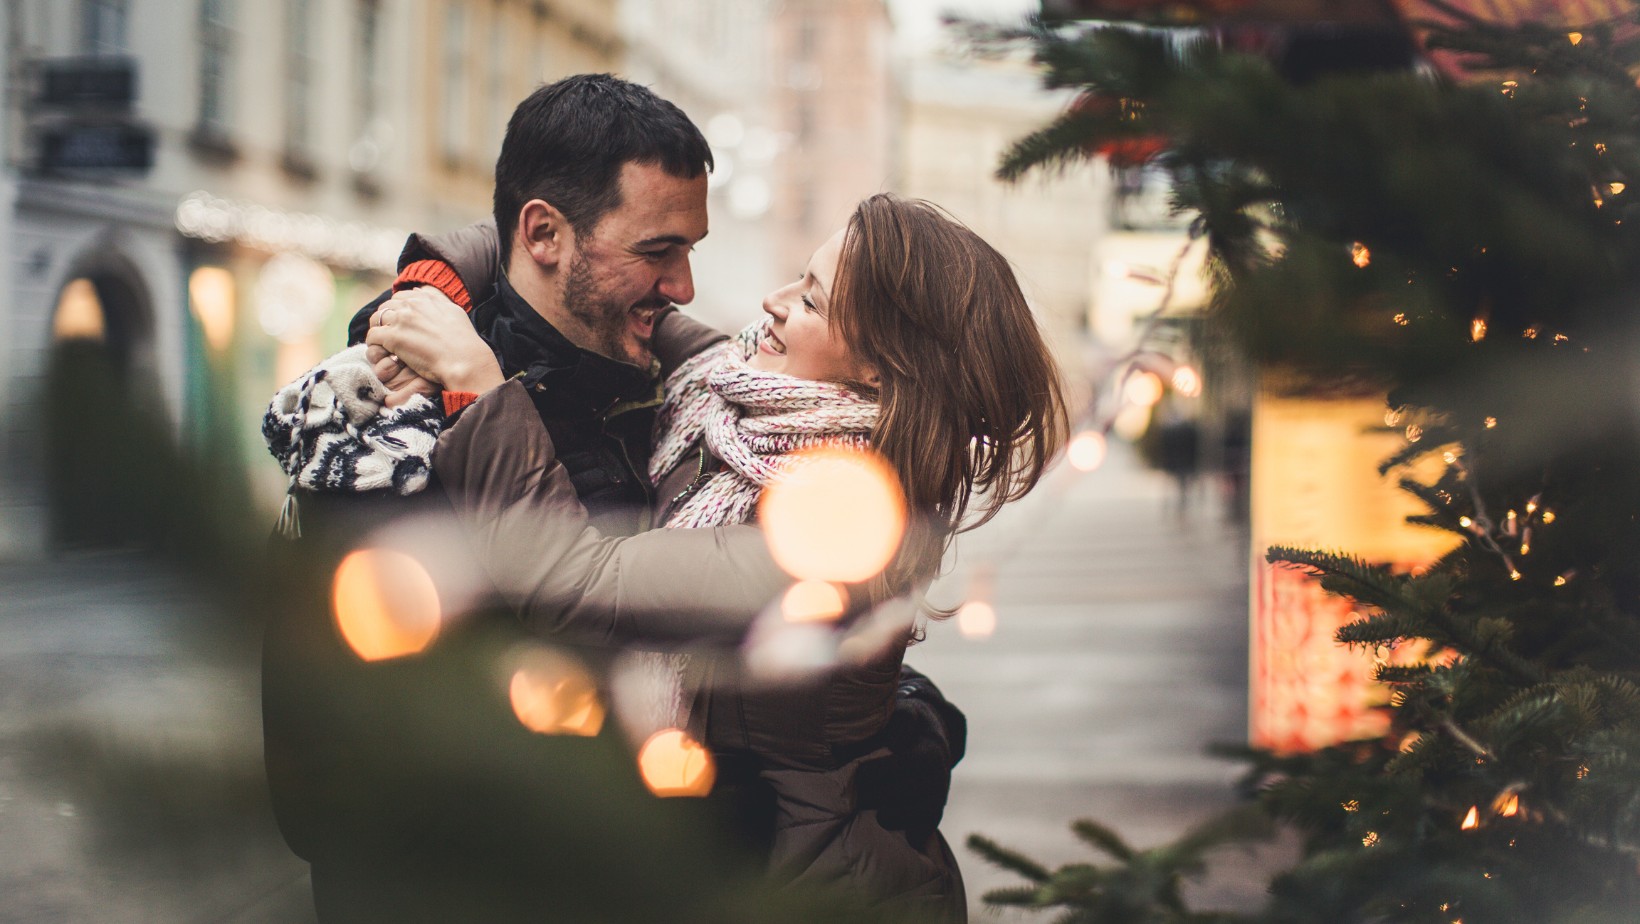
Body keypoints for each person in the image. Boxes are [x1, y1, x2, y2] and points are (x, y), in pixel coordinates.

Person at [262, 74, 965, 923]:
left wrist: (899, 722)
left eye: (691, 250)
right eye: (658, 250)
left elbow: (734, 654)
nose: (685, 287)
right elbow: (341, 788)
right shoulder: (393, 440)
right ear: (543, 235)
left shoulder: (671, 402)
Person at [366, 193, 1069, 921]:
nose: (774, 301)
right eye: (799, 278)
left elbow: (578, 582)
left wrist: (477, 385)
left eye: (812, 301)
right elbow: (592, 263)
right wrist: (436, 281)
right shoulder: (737, 393)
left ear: (881, 371)